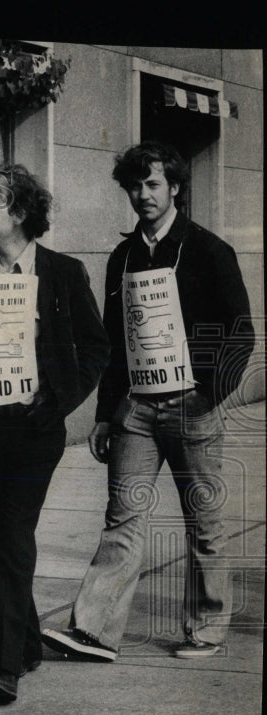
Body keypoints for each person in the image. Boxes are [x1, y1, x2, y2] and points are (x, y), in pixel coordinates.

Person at [42, 142, 254, 662]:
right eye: (135, 186)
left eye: (153, 184)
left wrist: (210, 393)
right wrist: (103, 415)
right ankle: (94, 630)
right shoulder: (123, 256)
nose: (143, 195)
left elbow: (240, 333)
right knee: (123, 516)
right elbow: (114, 341)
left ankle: (206, 626)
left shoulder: (208, 250)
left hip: (193, 405)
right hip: (136, 409)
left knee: (204, 522)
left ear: (175, 187)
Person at [0, 164, 109, 703]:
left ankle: (5, 663)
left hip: (35, 431)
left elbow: (96, 347)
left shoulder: (62, 272)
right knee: (3, 538)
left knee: (13, 536)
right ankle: (28, 641)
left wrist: (55, 400)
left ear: (22, 214)